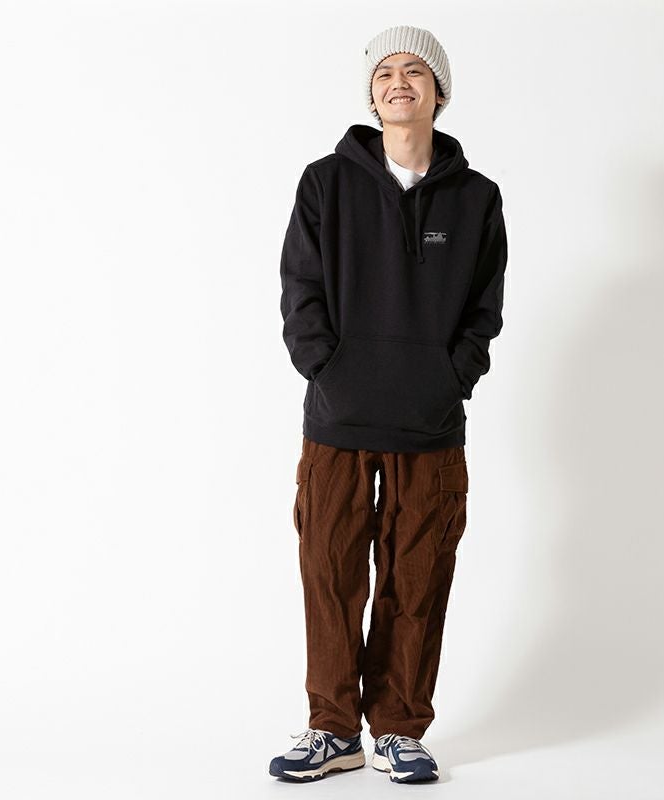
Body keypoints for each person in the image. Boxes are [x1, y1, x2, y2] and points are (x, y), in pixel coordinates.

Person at [268, 24, 508, 784]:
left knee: (418, 578)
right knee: (331, 576)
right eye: (385, 74)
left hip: (430, 425)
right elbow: (301, 291)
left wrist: (449, 377)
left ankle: (400, 727)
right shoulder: (325, 184)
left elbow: (484, 310)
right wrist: (327, 371)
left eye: (415, 71)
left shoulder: (476, 198)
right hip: (337, 420)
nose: (399, 82)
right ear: (372, 96)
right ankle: (333, 729)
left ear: (439, 91)